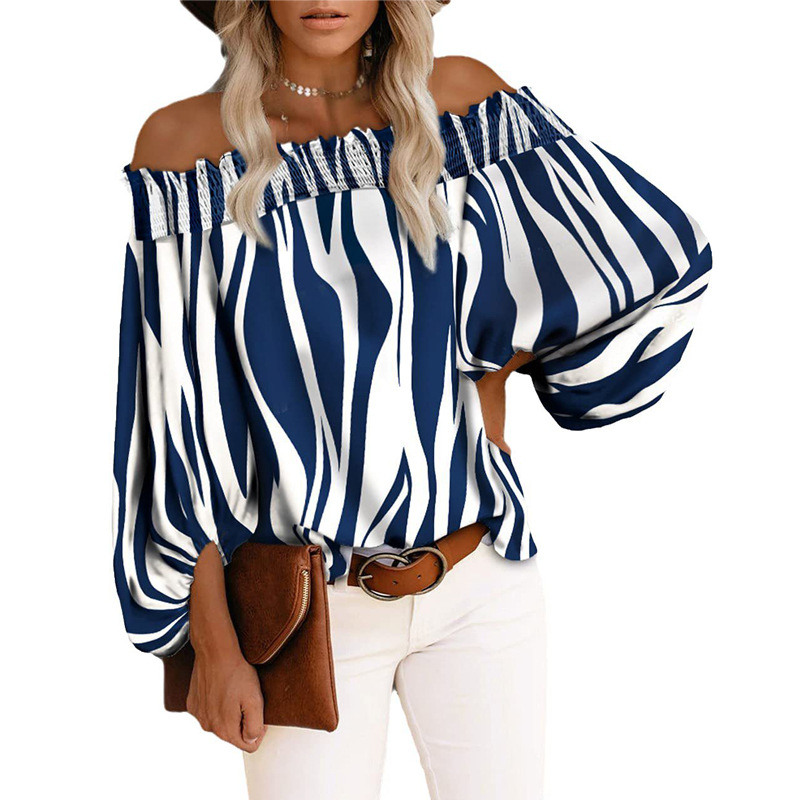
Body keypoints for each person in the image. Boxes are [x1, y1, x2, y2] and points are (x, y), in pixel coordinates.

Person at [111, 2, 713, 798]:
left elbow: (633, 258)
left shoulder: (463, 109)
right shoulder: (187, 151)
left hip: (480, 580)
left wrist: (494, 369)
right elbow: (171, 427)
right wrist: (214, 647)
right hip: (304, 614)